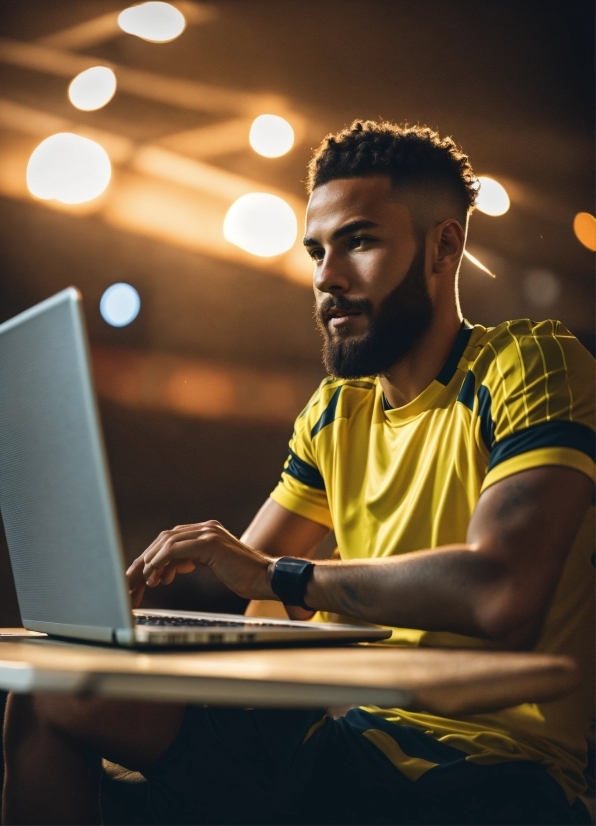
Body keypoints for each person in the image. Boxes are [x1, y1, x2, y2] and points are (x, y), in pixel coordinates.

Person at [2, 121, 594, 826]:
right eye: (318, 250)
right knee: (54, 693)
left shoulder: (531, 364)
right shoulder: (336, 409)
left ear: (445, 246)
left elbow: (501, 594)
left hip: (495, 769)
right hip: (353, 744)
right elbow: (261, 608)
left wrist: (286, 579)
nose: (326, 276)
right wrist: (146, 644)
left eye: (361, 241)